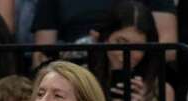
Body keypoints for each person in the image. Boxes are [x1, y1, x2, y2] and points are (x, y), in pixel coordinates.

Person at [31, 0, 177, 62]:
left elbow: (169, 49)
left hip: (138, 71)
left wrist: (125, 55)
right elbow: (42, 52)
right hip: (74, 69)